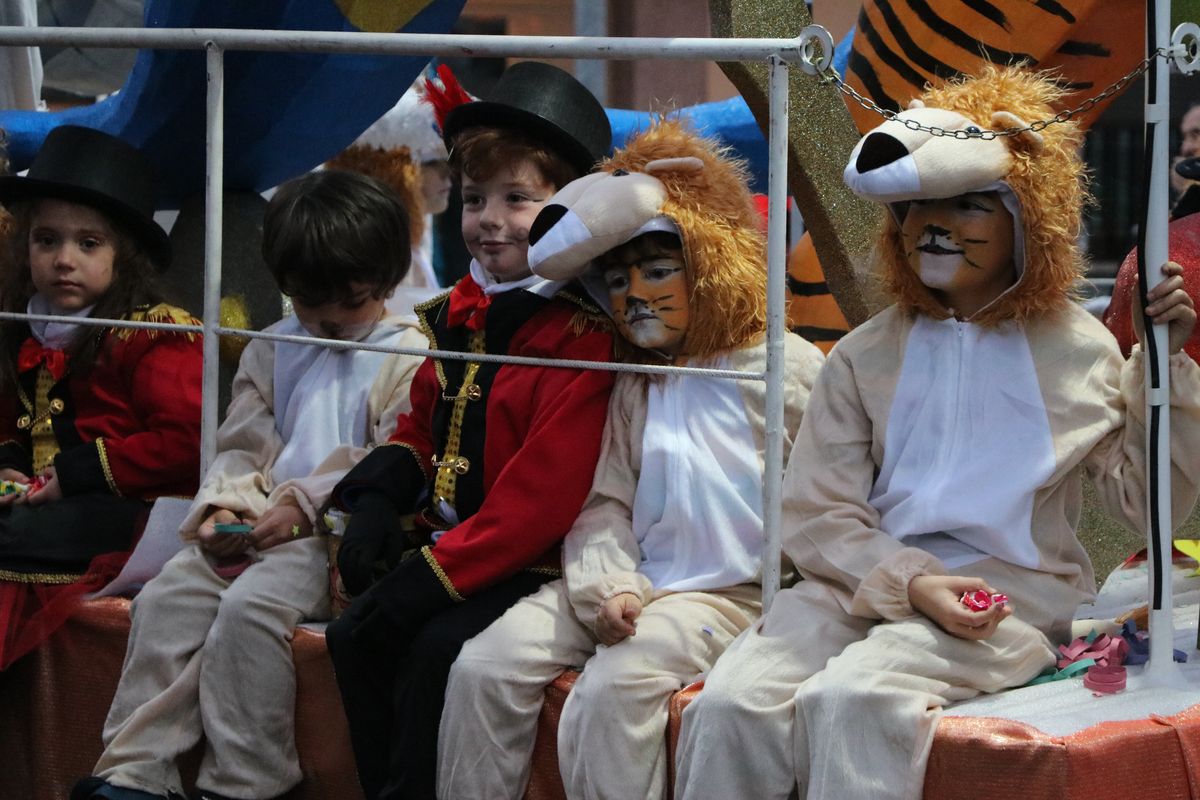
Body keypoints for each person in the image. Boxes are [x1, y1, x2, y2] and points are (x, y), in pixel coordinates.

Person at [674, 65, 1200, 800]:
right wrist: (910, 583)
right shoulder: (864, 353)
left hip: (1005, 599)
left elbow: (1145, 503)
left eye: (968, 203)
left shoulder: (1078, 348)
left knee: (856, 701)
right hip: (854, 586)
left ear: (1027, 218)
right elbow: (817, 512)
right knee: (731, 706)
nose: (934, 226)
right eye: (917, 207)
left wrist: (1166, 368)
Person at [436, 119, 825, 800]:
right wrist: (606, 585)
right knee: (483, 667)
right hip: (634, 584)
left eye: (656, 270)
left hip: (733, 593)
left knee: (616, 689)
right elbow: (603, 502)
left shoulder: (782, 369)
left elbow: (831, 495)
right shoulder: (637, 377)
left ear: (708, 260)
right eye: (616, 279)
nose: (635, 294)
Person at [71, 169, 428, 800]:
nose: (330, 320)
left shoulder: (410, 351)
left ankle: (249, 780)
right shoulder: (275, 345)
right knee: (167, 599)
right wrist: (224, 507)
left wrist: (299, 510)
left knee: (249, 611)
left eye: (350, 301)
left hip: (335, 538)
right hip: (256, 524)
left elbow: (385, 459)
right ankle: (134, 773)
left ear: (384, 278)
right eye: (311, 303)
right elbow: (244, 442)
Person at [323, 60, 615, 800]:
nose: (489, 220)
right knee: (352, 637)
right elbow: (422, 423)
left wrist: (429, 577)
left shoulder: (580, 332)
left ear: (570, 210)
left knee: (434, 652)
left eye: (518, 199)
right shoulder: (460, 307)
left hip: (528, 563)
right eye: (474, 196)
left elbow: (541, 501)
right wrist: (378, 502)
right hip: (449, 543)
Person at [0, 125, 202, 670]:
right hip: (45, 506)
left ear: (124, 255)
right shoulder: (23, 323)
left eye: (88, 244)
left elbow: (185, 442)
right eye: (47, 240)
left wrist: (73, 475)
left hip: (130, 514)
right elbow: (10, 423)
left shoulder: (157, 332)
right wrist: (11, 465)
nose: (65, 259)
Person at [326, 72, 455, 311]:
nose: (449, 174)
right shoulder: (361, 249)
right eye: (431, 162)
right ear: (392, 173)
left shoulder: (416, 236)